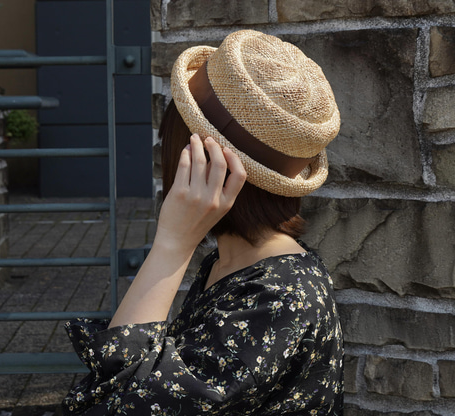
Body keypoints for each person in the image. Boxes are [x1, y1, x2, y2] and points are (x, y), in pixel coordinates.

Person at [62, 30, 343, 415]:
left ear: (201, 162)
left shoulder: (277, 299)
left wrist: (172, 244)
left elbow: (115, 404)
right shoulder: (234, 263)